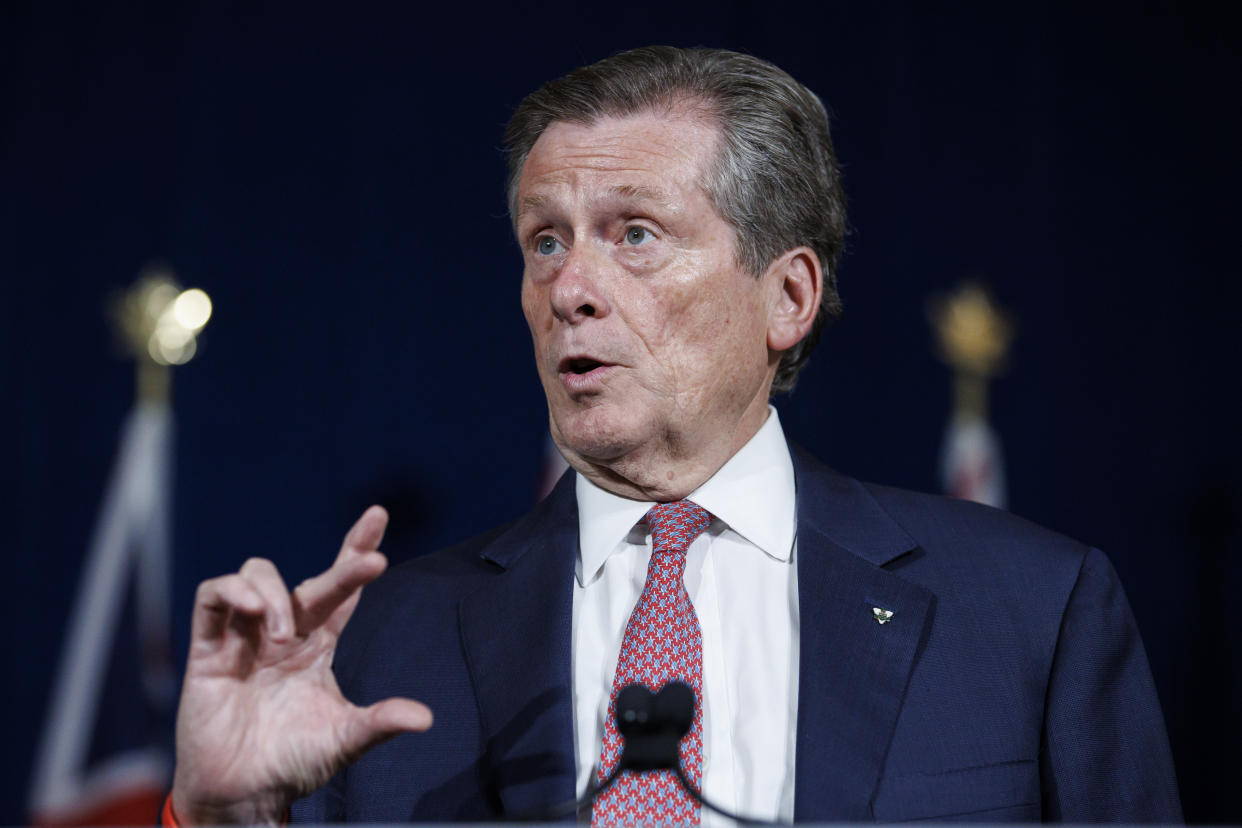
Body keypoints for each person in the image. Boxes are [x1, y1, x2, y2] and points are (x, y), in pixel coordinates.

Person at [167, 46, 1181, 824]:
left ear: (786, 296)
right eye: (545, 241)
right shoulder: (385, 643)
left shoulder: (1028, 613)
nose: (569, 290)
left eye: (635, 235)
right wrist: (222, 817)